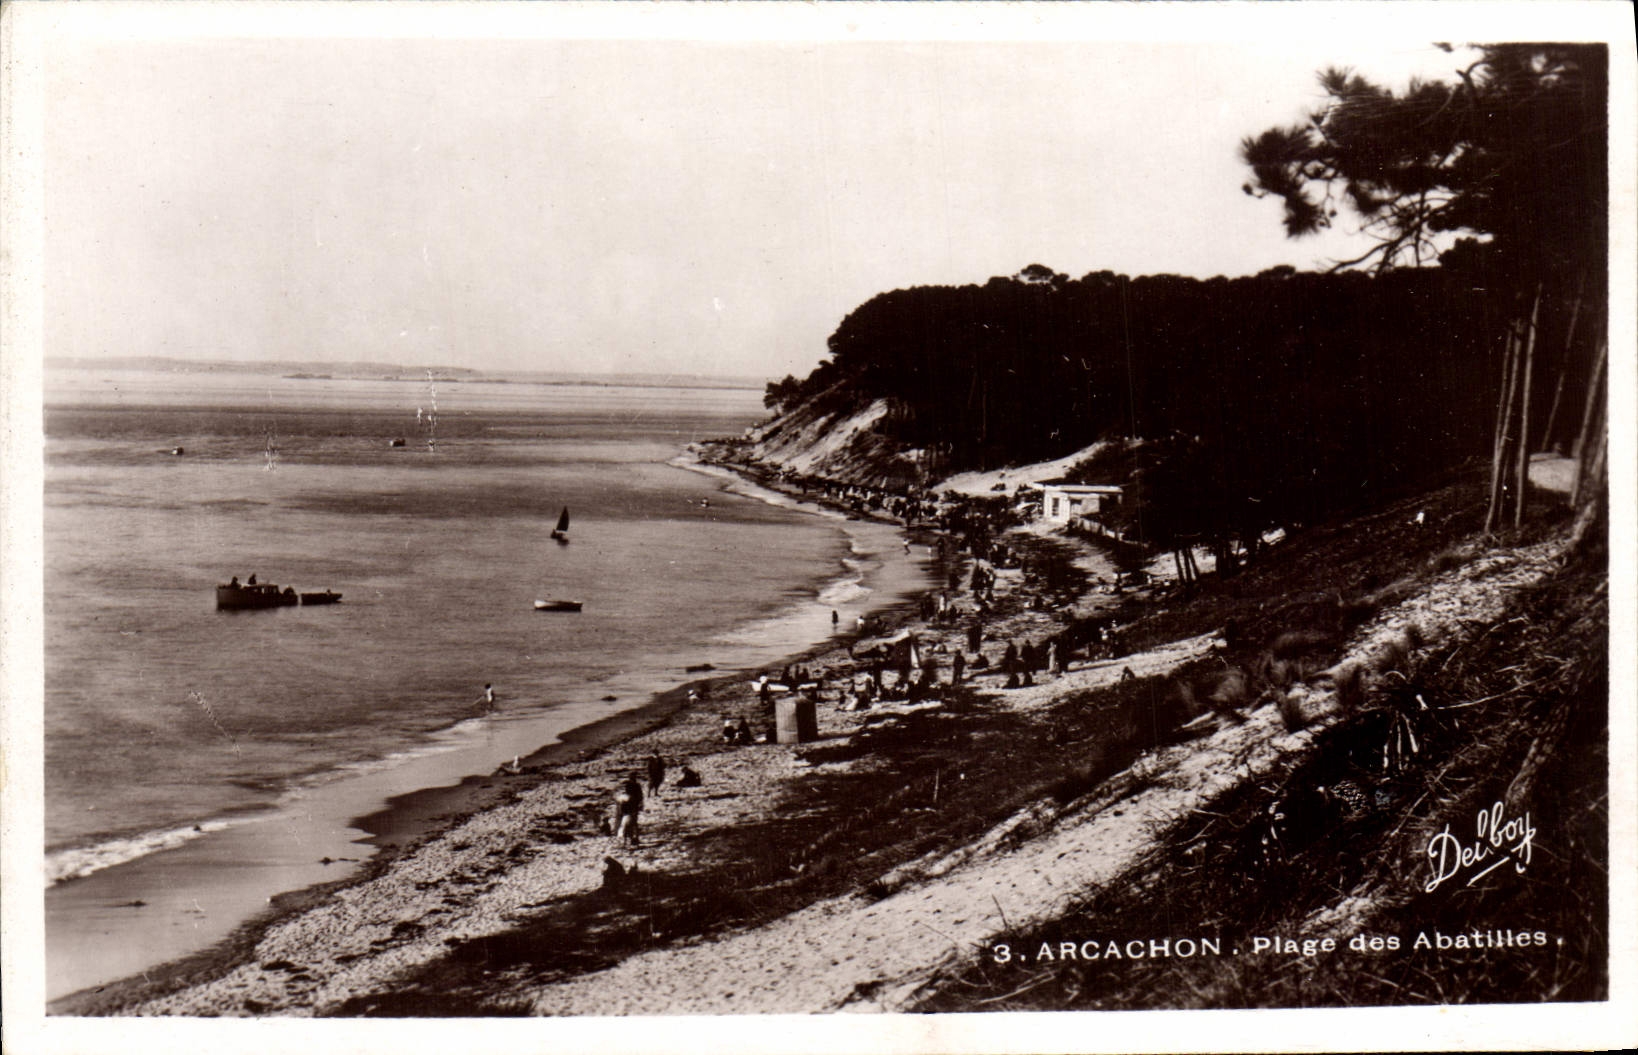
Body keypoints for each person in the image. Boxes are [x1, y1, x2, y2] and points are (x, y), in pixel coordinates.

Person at [613, 774, 644, 845]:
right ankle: (634, 838)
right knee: (633, 823)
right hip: (633, 806)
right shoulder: (636, 786)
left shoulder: (628, 787)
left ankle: (625, 839)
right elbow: (640, 796)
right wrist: (640, 804)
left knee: (624, 823)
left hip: (628, 807)